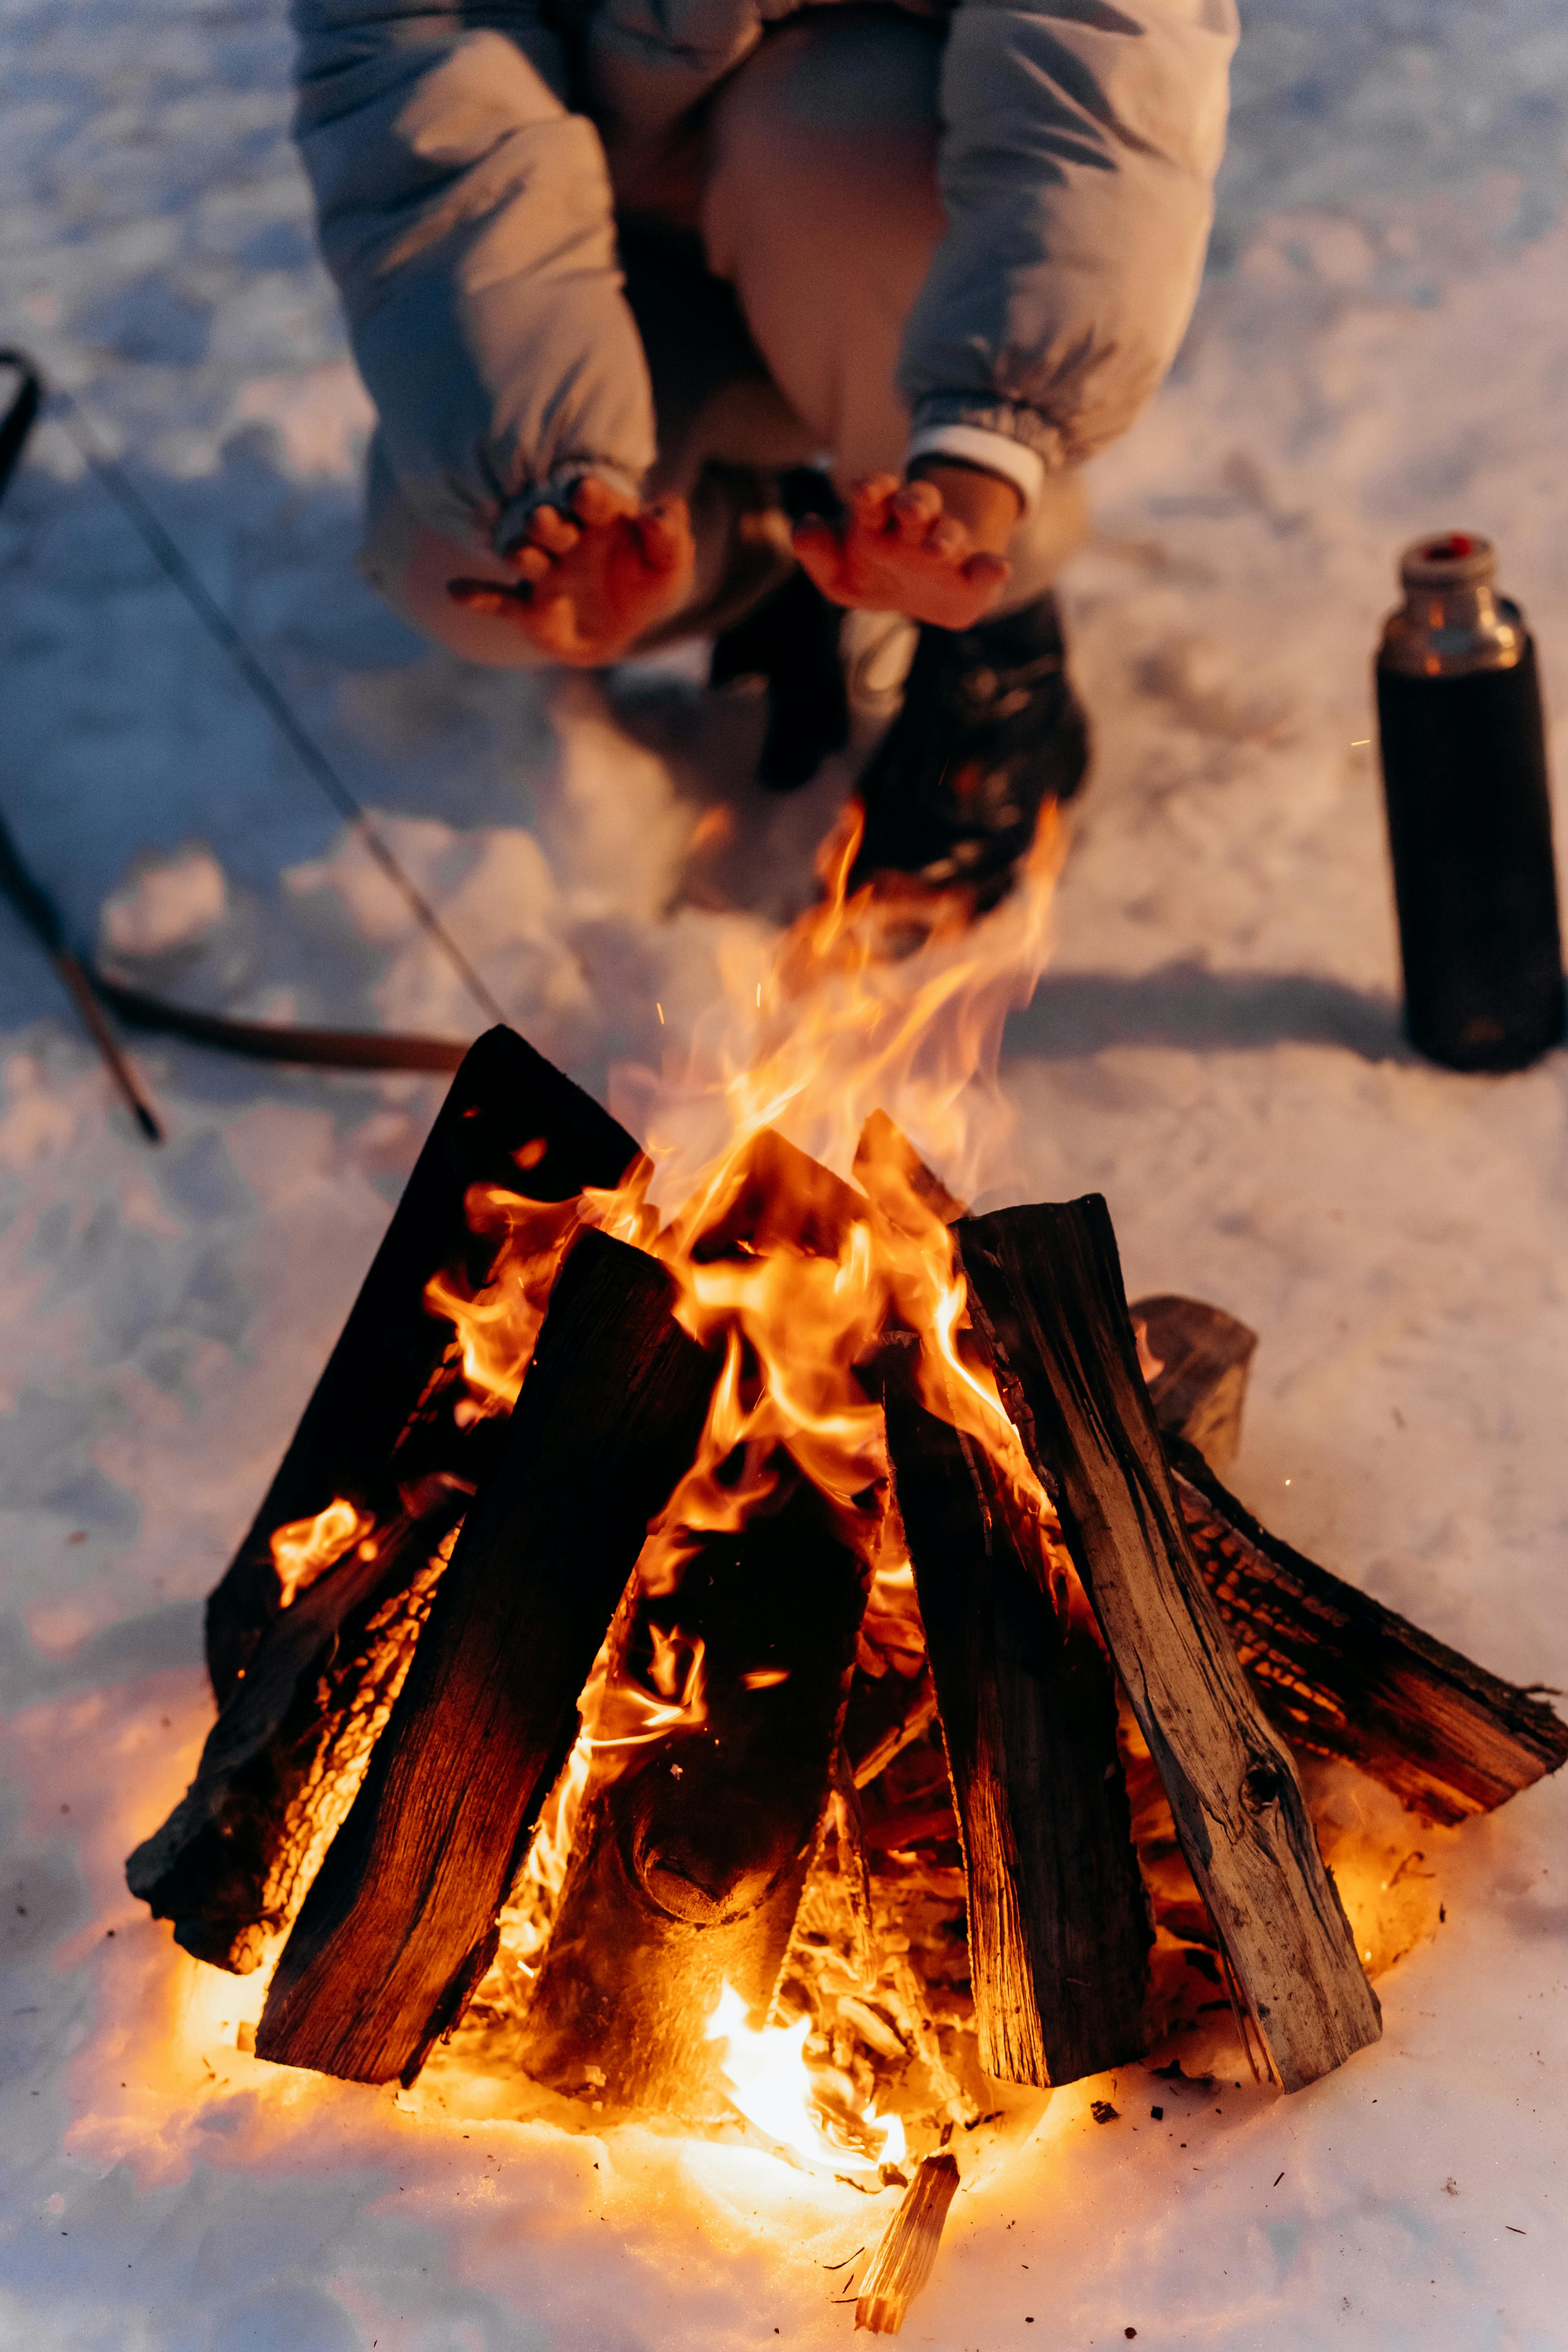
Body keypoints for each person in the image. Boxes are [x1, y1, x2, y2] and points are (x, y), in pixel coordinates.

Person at [293, 0, 1237, 911]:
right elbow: (430, 91)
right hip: (618, 257)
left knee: (832, 120)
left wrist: (986, 448)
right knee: (455, 557)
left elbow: (1101, 80)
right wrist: (553, 478)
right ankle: (760, 548)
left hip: (886, 232)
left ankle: (993, 627)